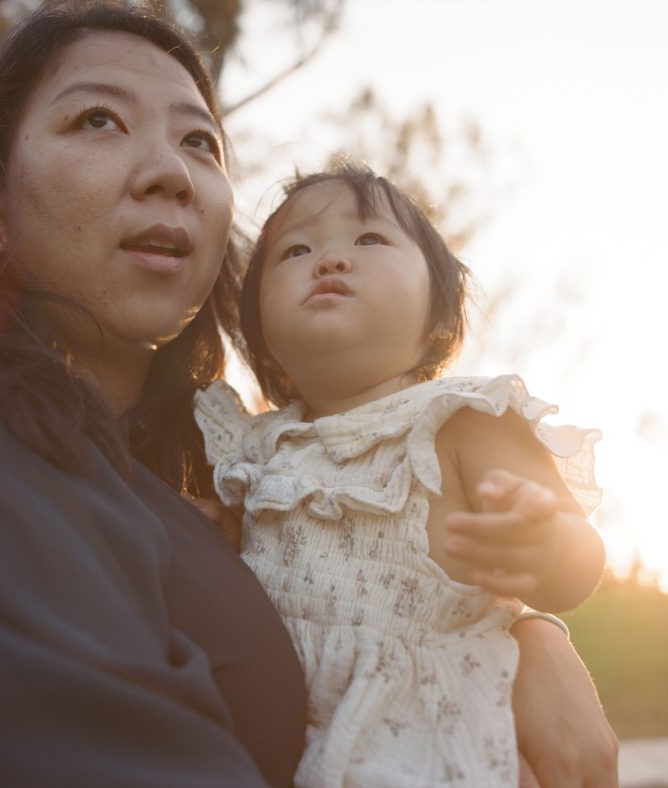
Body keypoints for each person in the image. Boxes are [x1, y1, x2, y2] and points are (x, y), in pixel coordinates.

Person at [0, 2, 617, 786]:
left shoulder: (192, 476)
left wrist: (526, 632)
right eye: (99, 120)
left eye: (199, 141)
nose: (171, 174)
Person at [194, 161, 607, 787]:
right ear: (261, 335)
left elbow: (576, 563)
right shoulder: (254, 452)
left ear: (439, 315)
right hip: (289, 741)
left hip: (438, 737)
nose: (329, 260)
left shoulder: (463, 421)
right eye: (296, 250)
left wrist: (544, 542)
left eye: (369, 240)